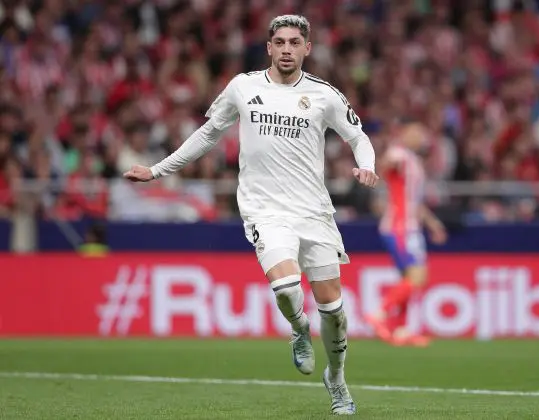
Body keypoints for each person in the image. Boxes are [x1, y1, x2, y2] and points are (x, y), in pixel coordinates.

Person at [123, 15, 378, 416]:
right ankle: (298, 331)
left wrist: (365, 164)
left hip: (313, 212)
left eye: (295, 42)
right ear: (269, 48)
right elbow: (208, 133)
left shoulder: (324, 94)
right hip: (264, 209)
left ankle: (337, 378)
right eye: (280, 42)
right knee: (287, 288)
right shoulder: (243, 87)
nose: (287, 49)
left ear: (307, 48)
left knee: (334, 312)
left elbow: (358, 136)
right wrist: (157, 170)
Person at [366, 122, 447, 346]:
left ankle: (401, 331)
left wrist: (433, 224)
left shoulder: (413, 161)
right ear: (405, 134)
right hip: (400, 227)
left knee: (408, 279)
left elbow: (415, 202)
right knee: (417, 277)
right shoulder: (398, 153)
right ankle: (379, 313)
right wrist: (384, 165)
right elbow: (386, 167)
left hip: (410, 226)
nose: (421, 138)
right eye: (417, 133)